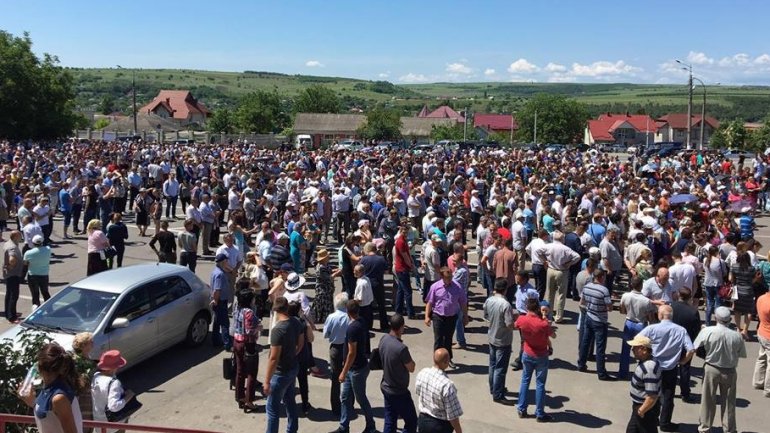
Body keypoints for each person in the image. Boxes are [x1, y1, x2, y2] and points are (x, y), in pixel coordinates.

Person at [638, 305, 695, 432]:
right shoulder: (681, 330)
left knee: (650, 393)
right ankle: (665, 423)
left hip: (653, 367)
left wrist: (645, 355)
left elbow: (637, 340)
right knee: (668, 396)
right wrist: (683, 361)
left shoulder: (651, 328)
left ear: (660, 315)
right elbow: (691, 349)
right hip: (670, 368)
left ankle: (649, 417)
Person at [693, 306, 747, 433]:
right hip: (730, 370)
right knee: (729, 402)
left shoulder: (707, 331)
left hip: (711, 368)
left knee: (707, 400)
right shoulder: (737, 336)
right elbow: (742, 354)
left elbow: (695, 346)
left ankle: (705, 428)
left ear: (716, 318)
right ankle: (729, 429)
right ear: (729, 319)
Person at [18, 342, 84, 433]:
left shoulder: (59, 397)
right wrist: (32, 402)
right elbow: (49, 416)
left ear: (39, 367)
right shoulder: (49, 389)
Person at [335, 299, 376, 433]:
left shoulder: (352, 328)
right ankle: (343, 426)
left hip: (356, 369)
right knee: (345, 397)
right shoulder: (361, 322)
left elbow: (351, 353)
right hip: (355, 367)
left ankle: (371, 425)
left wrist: (343, 371)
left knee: (361, 398)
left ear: (348, 312)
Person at [264, 297, 303, 433]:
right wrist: (292, 354)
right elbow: (301, 343)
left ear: (275, 310)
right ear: (287, 307)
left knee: (272, 409)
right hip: (292, 368)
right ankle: (292, 429)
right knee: (290, 401)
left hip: (280, 374)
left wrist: (267, 381)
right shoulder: (296, 322)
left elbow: (273, 358)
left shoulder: (278, 330)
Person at [515, 297, 555, 422]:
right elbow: (553, 335)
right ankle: (540, 413)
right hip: (541, 355)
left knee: (525, 381)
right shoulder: (542, 324)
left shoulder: (522, 319)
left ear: (527, 307)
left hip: (527, 353)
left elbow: (515, 325)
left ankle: (521, 408)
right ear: (538, 308)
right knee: (540, 384)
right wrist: (544, 319)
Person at [378, 313, 418, 433]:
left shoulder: (384, 339)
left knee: (390, 420)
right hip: (399, 391)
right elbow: (411, 368)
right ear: (401, 327)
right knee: (411, 421)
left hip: (386, 386)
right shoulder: (401, 348)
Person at [424, 267, 468, 369]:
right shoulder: (435, 287)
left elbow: (463, 303)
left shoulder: (457, 287)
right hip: (438, 316)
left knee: (448, 339)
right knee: (438, 339)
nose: (449, 279)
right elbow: (429, 303)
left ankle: (448, 360)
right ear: (441, 277)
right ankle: (437, 362)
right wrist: (427, 316)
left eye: (451, 277)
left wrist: (465, 316)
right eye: (447, 277)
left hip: (451, 317)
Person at [535, 230, 581, 323]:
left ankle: (549, 314)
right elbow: (577, 256)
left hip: (551, 270)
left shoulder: (548, 246)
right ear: (562, 238)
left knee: (550, 294)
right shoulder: (565, 249)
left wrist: (545, 260)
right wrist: (569, 263)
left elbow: (537, 252)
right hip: (561, 271)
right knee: (561, 295)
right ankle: (558, 317)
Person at [577, 269, 615, 381]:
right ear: (601, 277)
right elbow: (609, 307)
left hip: (589, 317)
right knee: (600, 347)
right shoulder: (604, 290)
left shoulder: (587, 286)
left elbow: (582, 302)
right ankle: (601, 373)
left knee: (585, 341)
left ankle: (581, 364)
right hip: (600, 320)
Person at [483, 278, 517, 402]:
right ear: (505, 289)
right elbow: (509, 324)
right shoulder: (505, 304)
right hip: (503, 339)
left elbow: (485, 316)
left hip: (492, 336)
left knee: (492, 364)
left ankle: (494, 387)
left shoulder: (489, 300)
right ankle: (498, 394)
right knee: (500, 368)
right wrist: (516, 323)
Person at [415, 348, 464, 433]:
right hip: (439, 426)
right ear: (446, 362)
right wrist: (459, 431)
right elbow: (453, 415)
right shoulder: (447, 386)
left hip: (423, 421)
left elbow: (418, 391)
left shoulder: (423, 373)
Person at [618, 276, 658, 380]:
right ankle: (640, 373)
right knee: (642, 350)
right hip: (641, 324)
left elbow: (622, 310)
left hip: (629, 322)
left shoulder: (625, 296)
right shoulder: (646, 301)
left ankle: (623, 373)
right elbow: (651, 318)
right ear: (641, 286)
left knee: (625, 349)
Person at [91, 350, 137, 433]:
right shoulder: (114, 383)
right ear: (114, 367)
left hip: (99, 422)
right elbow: (114, 407)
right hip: (113, 425)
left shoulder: (96, 376)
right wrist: (128, 396)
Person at [233, 288, 262, 412]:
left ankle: (240, 396)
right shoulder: (249, 312)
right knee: (251, 373)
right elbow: (250, 330)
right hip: (248, 344)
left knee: (240, 370)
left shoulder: (237, 309)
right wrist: (259, 327)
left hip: (237, 342)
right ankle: (249, 400)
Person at [670, 288, 701, 403]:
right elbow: (697, 330)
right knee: (685, 368)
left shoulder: (671, 307)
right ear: (690, 297)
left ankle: (668, 390)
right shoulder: (693, 312)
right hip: (686, 343)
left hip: (671, 342)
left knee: (670, 367)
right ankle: (685, 393)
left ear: (678, 294)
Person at [625, 335, 661, 433]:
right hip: (640, 407)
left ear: (644, 349)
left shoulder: (648, 368)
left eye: (635, 347)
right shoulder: (645, 362)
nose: (632, 349)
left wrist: (641, 411)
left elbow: (652, 395)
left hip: (645, 409)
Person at [323, 292, 349, 417]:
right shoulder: (349, 317)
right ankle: (349, 403)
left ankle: (335, 407)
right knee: (349, 376)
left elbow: (325, 334)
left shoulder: (331, 317)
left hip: (335, 348)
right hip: (348, 348)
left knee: (335, 378)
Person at [729, 251, 758, 340]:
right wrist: (756, 278)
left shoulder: (734, 267)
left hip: (737, 291)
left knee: (737, 310)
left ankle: (738, 328)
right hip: (748, 291)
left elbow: (730, 278)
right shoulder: (751, 269)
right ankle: (745, 330)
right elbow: (752, 281)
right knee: (748, 312)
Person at [71, 333, 95, 433]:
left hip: (88, 395)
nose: (93, 344)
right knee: (85, 423)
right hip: (82, 397)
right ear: (83, 345)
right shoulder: (77, 361)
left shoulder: (86, 357)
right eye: (90, 342)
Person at [210, 253, 233, 350]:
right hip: (220, 301)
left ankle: (215, 340)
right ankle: (227, 344)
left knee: (217, 321)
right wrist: (216, 300)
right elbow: (217, 289)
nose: (227, 262)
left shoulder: (216, 271)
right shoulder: (220, 274)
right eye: (226, 261)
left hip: (217, 301)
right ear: (223, 262)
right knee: (224, 323)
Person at [24, 234, 51, 308]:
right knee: (45, 292)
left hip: (33, 275)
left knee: (35, 294)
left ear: (33, 243)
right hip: (44, 275)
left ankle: (36, 309)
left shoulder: (28, 253)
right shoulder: (48, 249)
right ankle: (49, 308)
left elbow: (25, 263)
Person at [311, 248, 338, 324]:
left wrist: (335, 270)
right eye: (327, 256)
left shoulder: (324, 265)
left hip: (327, 290)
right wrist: (337, 273)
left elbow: (328, 271)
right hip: (323, 290)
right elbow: (328, 278)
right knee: (324, 306)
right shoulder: (321, 268)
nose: (329, 257)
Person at [3, 230, 23, 322]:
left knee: (9, 294)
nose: (21, 237)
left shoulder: (8, 243)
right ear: (15, 237)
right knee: (13, 295)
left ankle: (8, 312)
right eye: (19, 236)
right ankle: (12, 316)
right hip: (13, 274)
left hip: (8, 273)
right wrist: (11, 266)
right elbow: (12, 259)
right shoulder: (13, 247)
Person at [754, 289, 770, 397]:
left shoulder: (761, 298)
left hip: (761, 332)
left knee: (762, 357)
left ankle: (758, 382)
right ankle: (768, 389)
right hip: (768, 335)